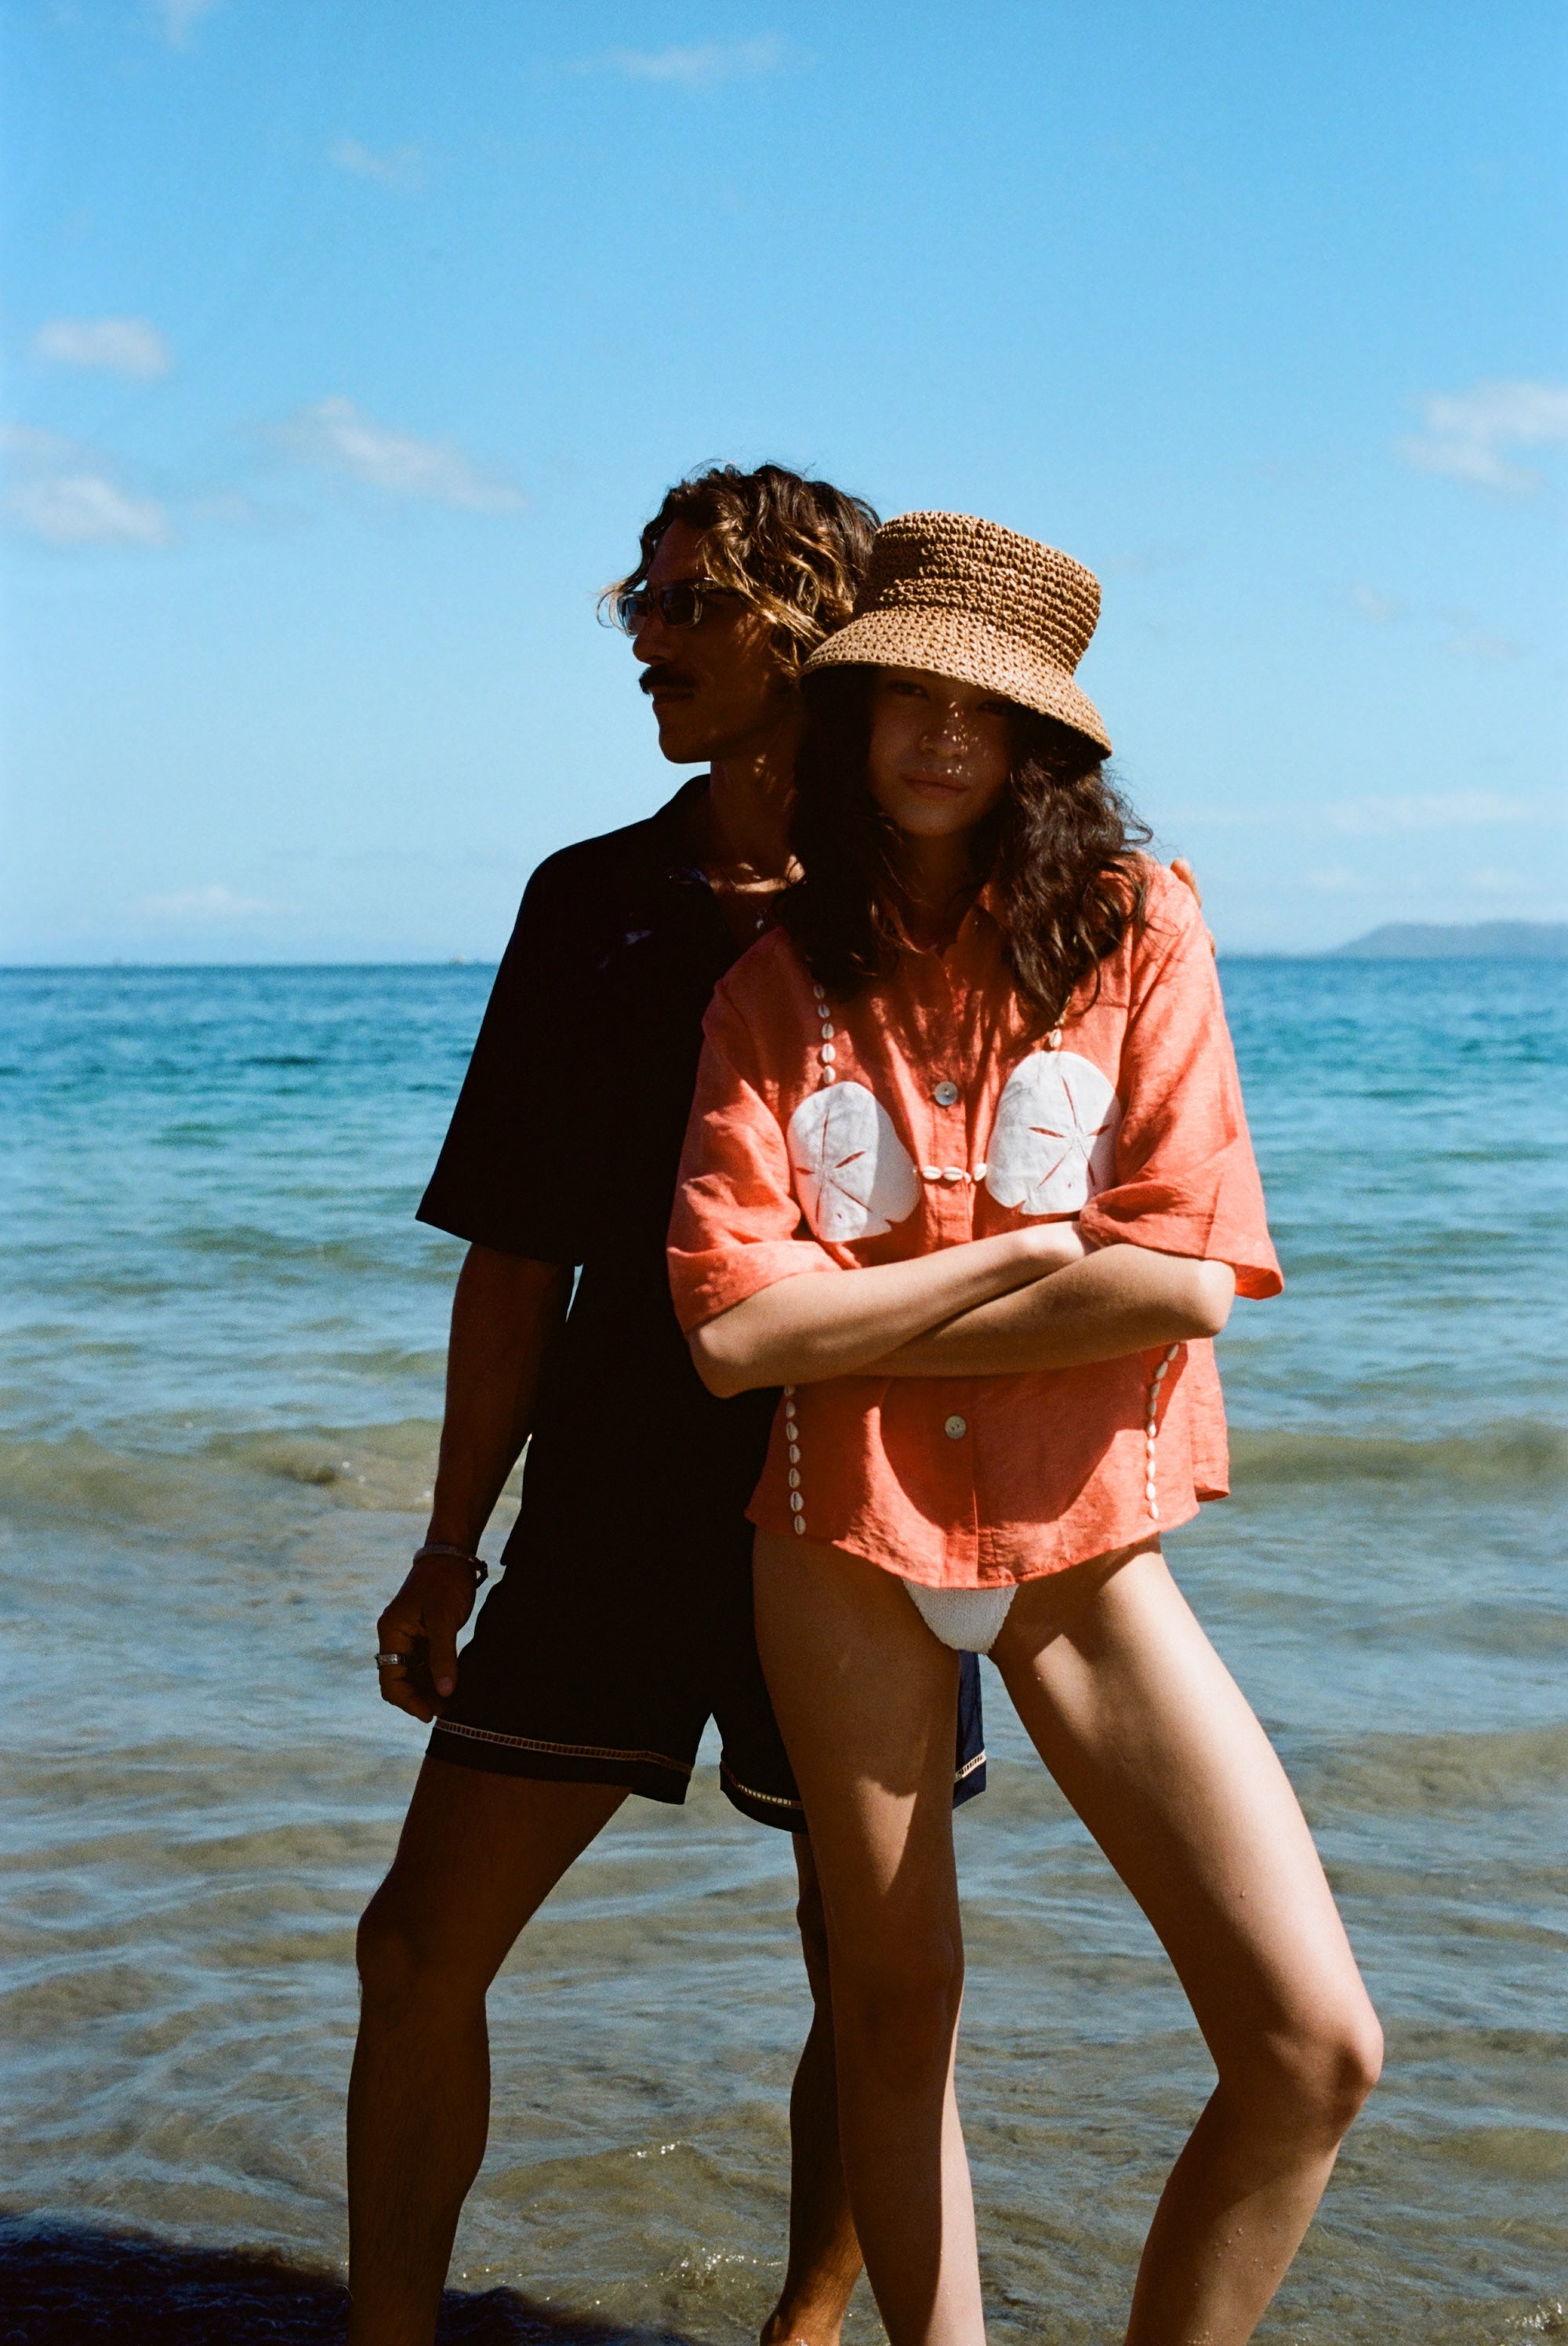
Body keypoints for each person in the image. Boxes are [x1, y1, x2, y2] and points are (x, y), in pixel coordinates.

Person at [668, 512, 1384, 2346]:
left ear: (1039, 740)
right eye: (899, 697)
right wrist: (1028, 1250)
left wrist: (876, 1305)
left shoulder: (1138, 930)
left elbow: (1183, 1286)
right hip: (834, 1539)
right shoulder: (771, 987)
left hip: (1086, 1546)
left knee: (1312, 2045)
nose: (933, 737)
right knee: (896, 2017)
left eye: (975, 709)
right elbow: (735, 1331)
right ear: (847, 722)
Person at [345, 465, 993, 2346]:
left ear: (805, 626)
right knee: (414, 1947)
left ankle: (803, 2329)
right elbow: (513, 1259)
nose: (643, 633)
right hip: (614, 1503)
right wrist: (448, 1545)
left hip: (860, 1509)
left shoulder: (927, 899)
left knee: (875, 1985)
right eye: (637, 597)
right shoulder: (591, 902)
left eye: (685, 599)